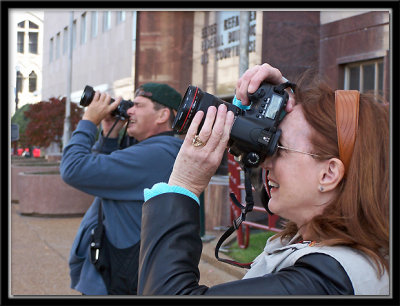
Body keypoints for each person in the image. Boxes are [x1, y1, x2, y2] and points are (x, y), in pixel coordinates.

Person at [137, 64, 389, 295]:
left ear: (329, 174)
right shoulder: (332, 253)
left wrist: (183, 184)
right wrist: (281, 99)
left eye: (279, 148)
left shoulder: (322, 282)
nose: (266, 161)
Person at [60, 82, 183, 295]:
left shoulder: (157, 155)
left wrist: (89, 121)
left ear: (163, 115)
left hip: (117, 278)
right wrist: (109, 134)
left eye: (138, 105)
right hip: (116, 271)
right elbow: (106, 180)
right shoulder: (155, 151)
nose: (128, 111)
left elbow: (73, 169)